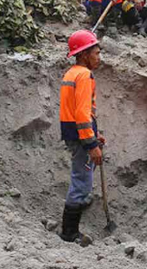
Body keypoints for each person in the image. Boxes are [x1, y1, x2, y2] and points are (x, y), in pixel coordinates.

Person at [59, 30, 103, 245]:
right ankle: (69, 233)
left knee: (81, 177)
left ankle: (73, 219)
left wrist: (95, 135)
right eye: (96, 52)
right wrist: (91, 143)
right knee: (82, 181)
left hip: (73, 133)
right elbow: (82, 114)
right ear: (84, 54)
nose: (99, 57)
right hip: (80, 136)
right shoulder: (84, 75)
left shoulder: (71, 73)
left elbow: (78, 111)